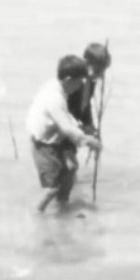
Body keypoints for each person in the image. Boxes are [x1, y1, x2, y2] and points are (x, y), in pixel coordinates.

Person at [27, 55, 103, 212]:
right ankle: (36, 213)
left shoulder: (58, 88)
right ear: (68, 79)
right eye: (78, 82)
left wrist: (83, 127)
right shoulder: (54, 97)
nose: (80, 86)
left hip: (55, 138)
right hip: (44, 145)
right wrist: (88, 140)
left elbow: (66, 117)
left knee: (70, 169)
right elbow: (66, 127)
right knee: (52, 189)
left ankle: (63, 209)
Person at [66, 42, 112, 133]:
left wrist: (89, 125)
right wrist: (80, 128)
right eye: (98, 70)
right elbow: (65, 111)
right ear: (86, 63)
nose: (101, 75)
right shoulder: (73, 82)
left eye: (103, 71)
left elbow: (85, 105)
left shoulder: (90, 81)